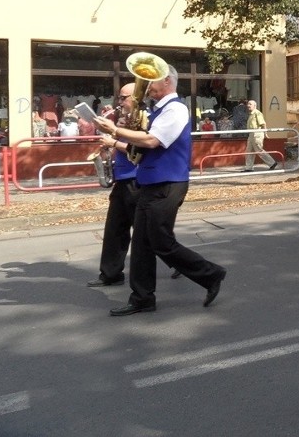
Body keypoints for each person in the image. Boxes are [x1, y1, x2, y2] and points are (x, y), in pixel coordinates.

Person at [93, 64, 227, 316]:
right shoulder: (158, 111)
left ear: (166, 82)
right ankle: (142, 298)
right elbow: (143, 149)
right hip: (152, 182)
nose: (148, 88)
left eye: (151, 82)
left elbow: (153, 141)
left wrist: (115, 131)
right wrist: (126, 136)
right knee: (143, 243)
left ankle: (211, 274)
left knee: (160, 242)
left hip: (168, 183)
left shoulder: (175, 109)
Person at [87, 84, 139, 288]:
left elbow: (140, 150)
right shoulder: (123, 120)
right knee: (114, 229)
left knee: (149, 232)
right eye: (118, 98)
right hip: (122, 177)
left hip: (137, 179)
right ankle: (110, 273)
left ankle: (177, 261)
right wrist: (108, 148)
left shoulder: (143, 120)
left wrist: (114, 142)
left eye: (123, 98)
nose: (119, 102)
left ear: (136, 98)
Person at [243, 99, 278, 171]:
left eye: (250, 104)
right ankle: (249, 167)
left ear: (255, 106)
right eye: (248, 104)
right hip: (251, 134)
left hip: (257, 133)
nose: (248, 105)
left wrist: (265, 133)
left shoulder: (257, 113)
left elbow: (263, 124)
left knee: (259, 150)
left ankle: (272, 163)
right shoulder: (251, 114)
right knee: (249, 151)